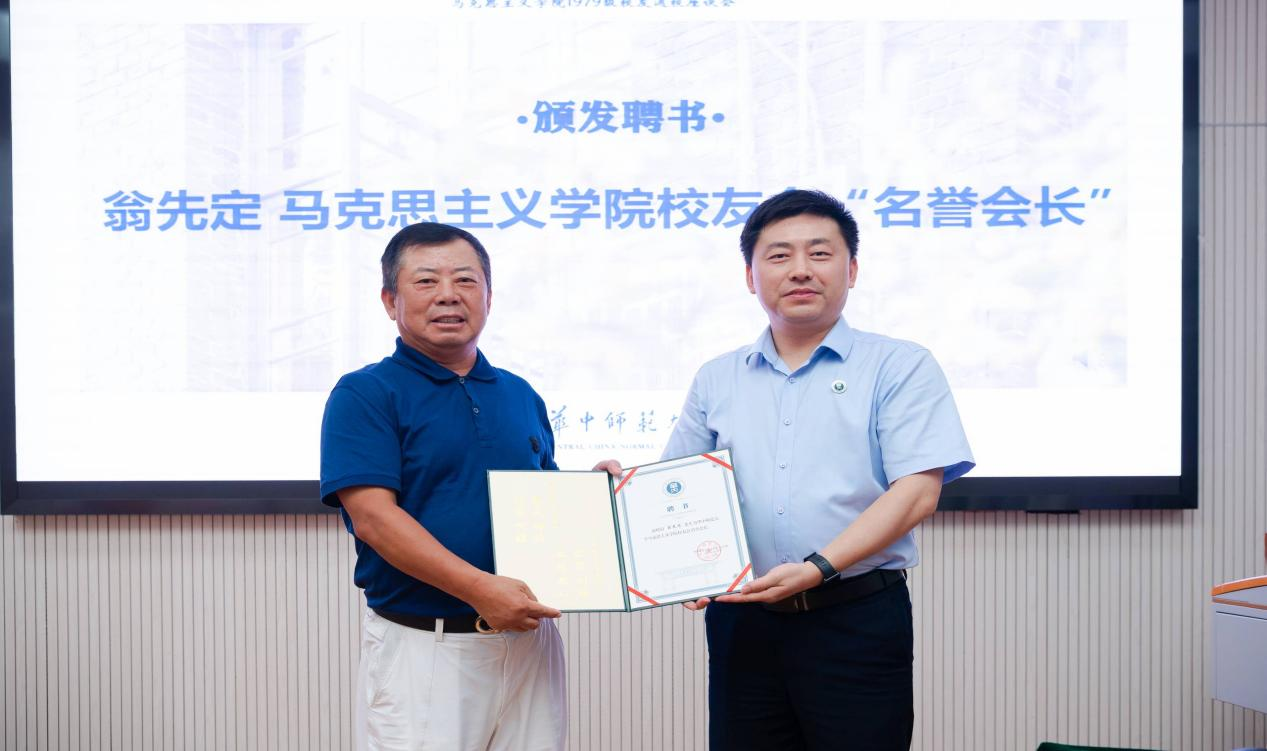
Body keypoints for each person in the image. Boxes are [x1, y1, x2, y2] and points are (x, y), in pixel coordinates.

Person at [665, 189, 974, 750]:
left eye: (820, 253)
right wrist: (622, 491)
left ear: (851, 270)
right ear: (751, 276)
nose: (801, 270)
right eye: (779, 255)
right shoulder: (717, 377)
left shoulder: (900, 366)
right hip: (744, 625)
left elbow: (917, 492)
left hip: (855, 617)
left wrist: (818, 568)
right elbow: (675, 486)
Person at [320, 222, 566, 751]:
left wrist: (605, 498)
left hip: (529, 643)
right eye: (427, 281)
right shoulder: (365, 393)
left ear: (489, 297)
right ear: (390, 301)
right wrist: (480, 589)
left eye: (466, 280)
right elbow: (374, 519)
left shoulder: (521, 394)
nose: (449, 295)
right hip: (424, 647)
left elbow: (547, 507)